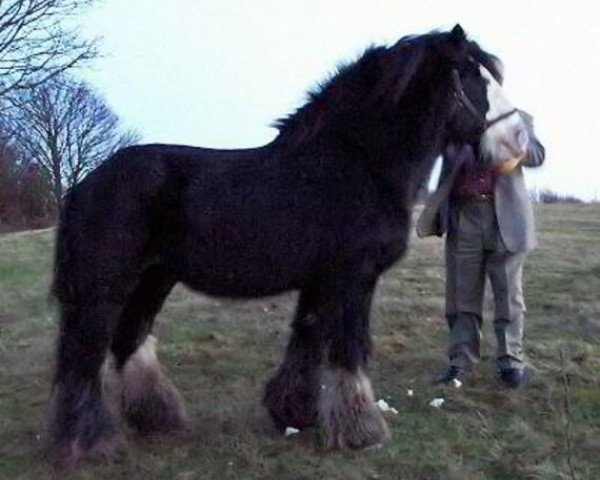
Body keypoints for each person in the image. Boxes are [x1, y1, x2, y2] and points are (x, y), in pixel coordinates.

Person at [417, 106, 545, 388]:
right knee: (461, 295)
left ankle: (511, 362)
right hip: (464, 216)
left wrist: (513, 144)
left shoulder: (518, 118)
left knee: (509, 296)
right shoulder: (453, 122)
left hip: (507, 218)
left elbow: (537, 155)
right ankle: (460, 362)